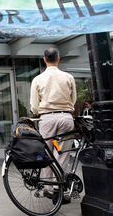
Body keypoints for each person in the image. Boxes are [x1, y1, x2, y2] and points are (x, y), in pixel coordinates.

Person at [30, 47, 76, 204]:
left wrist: (37, 111)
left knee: (47, 152)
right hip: (65, 116)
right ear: (59, 59)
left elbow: (34, 106)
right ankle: (59, 189)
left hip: (47, 118)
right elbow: (74, 99)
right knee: (62, 152)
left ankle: (48, 187)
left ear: (44, 59)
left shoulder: (38, 79)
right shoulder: (68, 77)